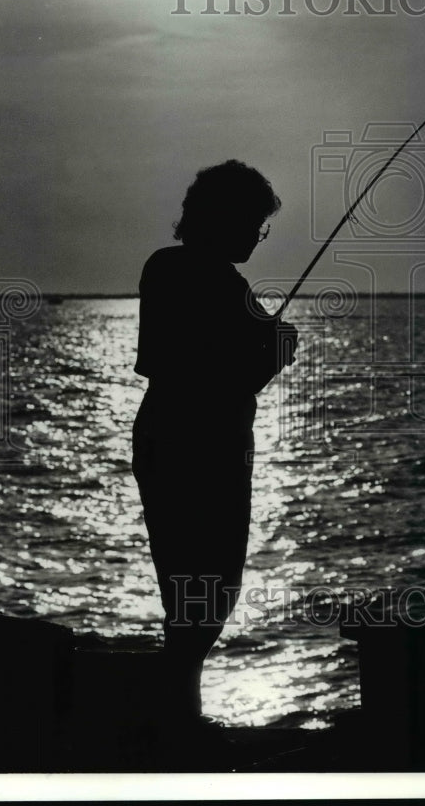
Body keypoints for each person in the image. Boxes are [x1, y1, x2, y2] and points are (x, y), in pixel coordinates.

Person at [132, 160, 298, 740]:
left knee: (183, 587)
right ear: (223, 219)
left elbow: (159, 364)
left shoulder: (163, 267)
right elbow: (224, 380)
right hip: (206, 447)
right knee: (210, 589)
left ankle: (180, 711)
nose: (257, 234)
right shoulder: (226, 285)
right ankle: (177, 720)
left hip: (160, 434)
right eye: (254, 222)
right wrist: (274, 353)